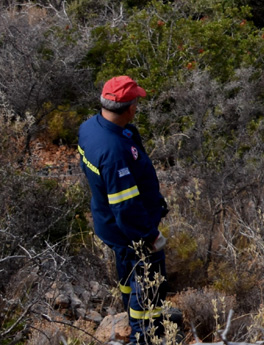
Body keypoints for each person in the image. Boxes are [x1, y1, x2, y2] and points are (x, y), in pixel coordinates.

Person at [78, 76, 169, 344]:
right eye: (136, 101)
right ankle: (145, 334)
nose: (137, 106)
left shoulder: (89, 128)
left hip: (108, 223)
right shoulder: (114, 151)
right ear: (129, 108)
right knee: (149, 280)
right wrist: (150, 237)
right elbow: (126, 207)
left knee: (128, 274)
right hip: (130, 230)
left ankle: (132, 319)